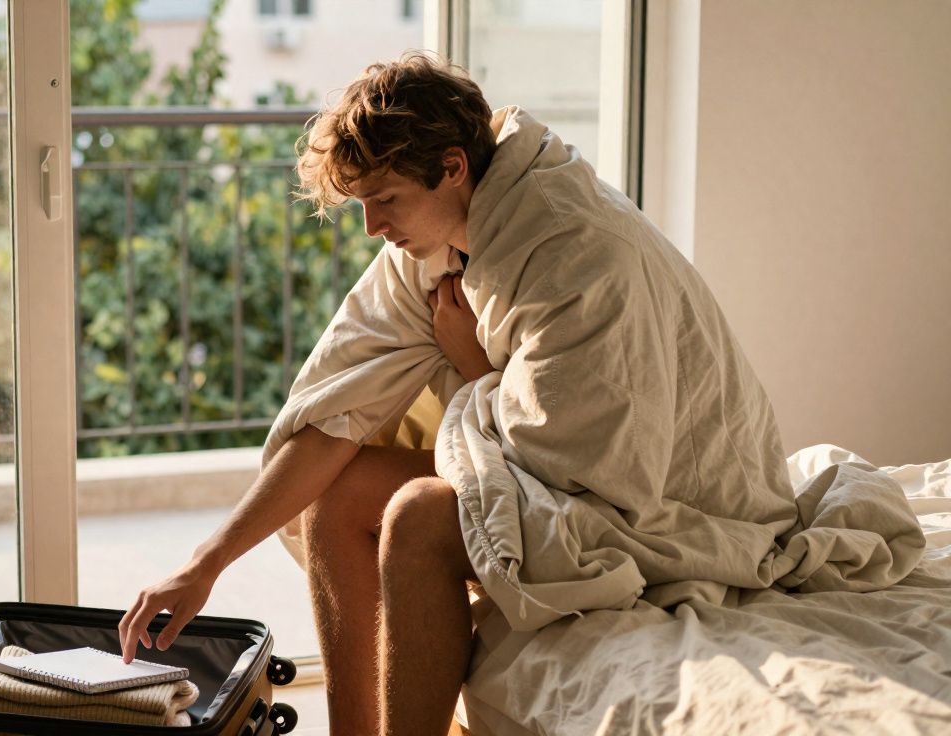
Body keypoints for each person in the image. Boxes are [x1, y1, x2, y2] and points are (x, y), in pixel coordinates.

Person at [119, 53, 795, 736]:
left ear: (451, 167)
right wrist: (203, 567)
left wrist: (472, 363)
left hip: (666, 502)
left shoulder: (578, 254)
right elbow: (336, 414)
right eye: (362, 204)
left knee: (419, 514)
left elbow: (581, 468)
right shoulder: (436, 236)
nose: (372, 227)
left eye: (385, 200)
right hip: (568, 472)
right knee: (338, 493)